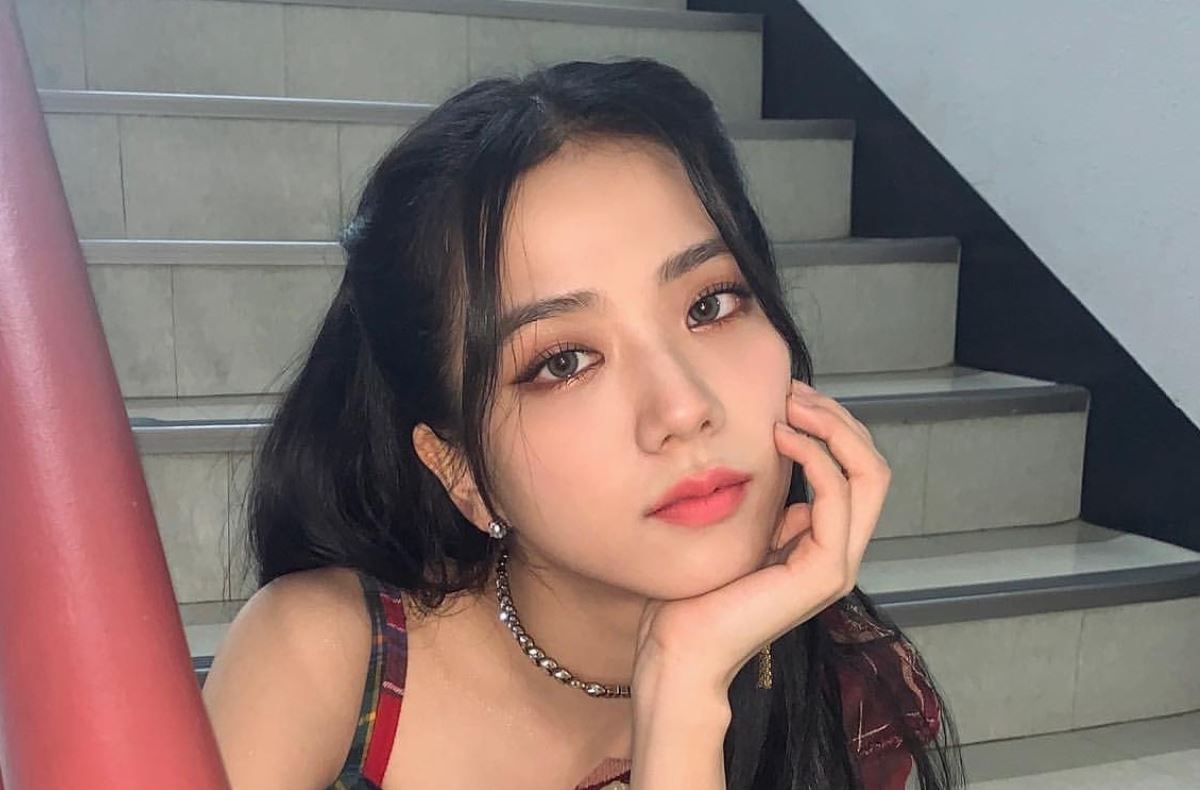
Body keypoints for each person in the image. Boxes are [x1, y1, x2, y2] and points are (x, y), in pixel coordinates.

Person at [201, 57, 965, 790]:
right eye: (564, 362)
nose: (683, 408)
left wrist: (684, 686)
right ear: (461, 473)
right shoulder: (326, 667)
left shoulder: (847, 695)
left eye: (710, 304)